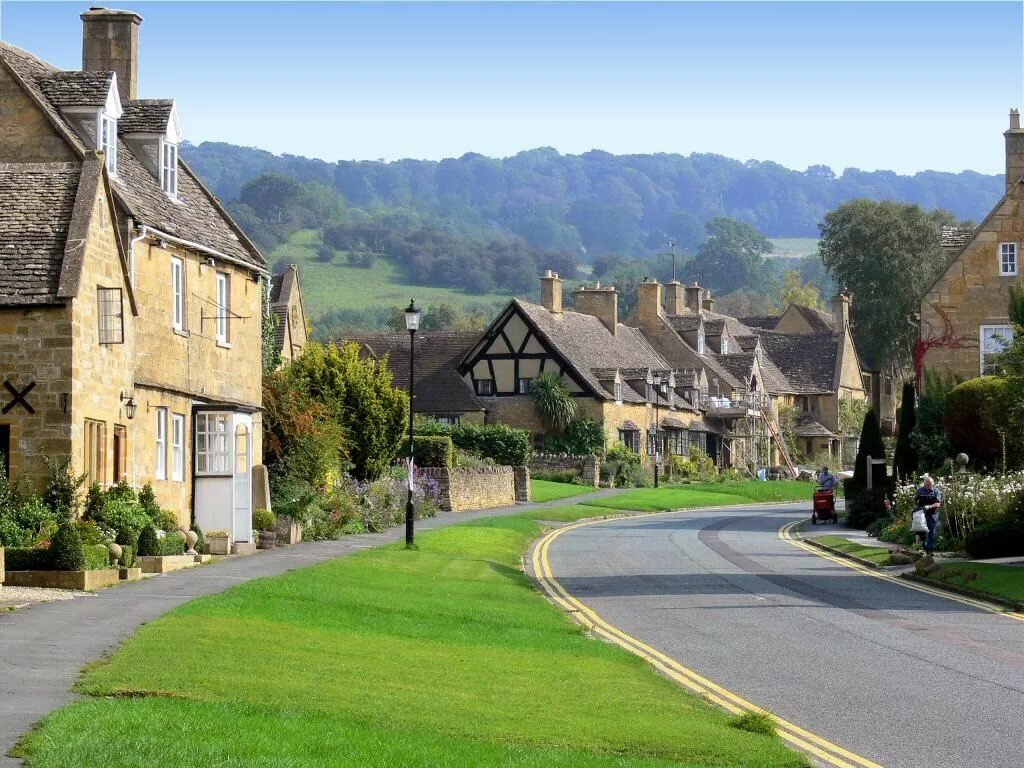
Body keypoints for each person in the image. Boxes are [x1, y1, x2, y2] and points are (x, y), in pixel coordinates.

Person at [915, 475, 942, 556]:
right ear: (924, 484)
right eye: (927, 484)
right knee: (922, 532)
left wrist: (929, 506)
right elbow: (916, 500)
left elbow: (938, 504)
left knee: (931, 532)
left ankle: (929, 551)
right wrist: (918, 507)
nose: (929, 486)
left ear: (933, 484)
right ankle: (924, 547)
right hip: (922, 514)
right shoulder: (920, 491)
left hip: (933, 514)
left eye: (930, 484)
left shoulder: (936, 491)